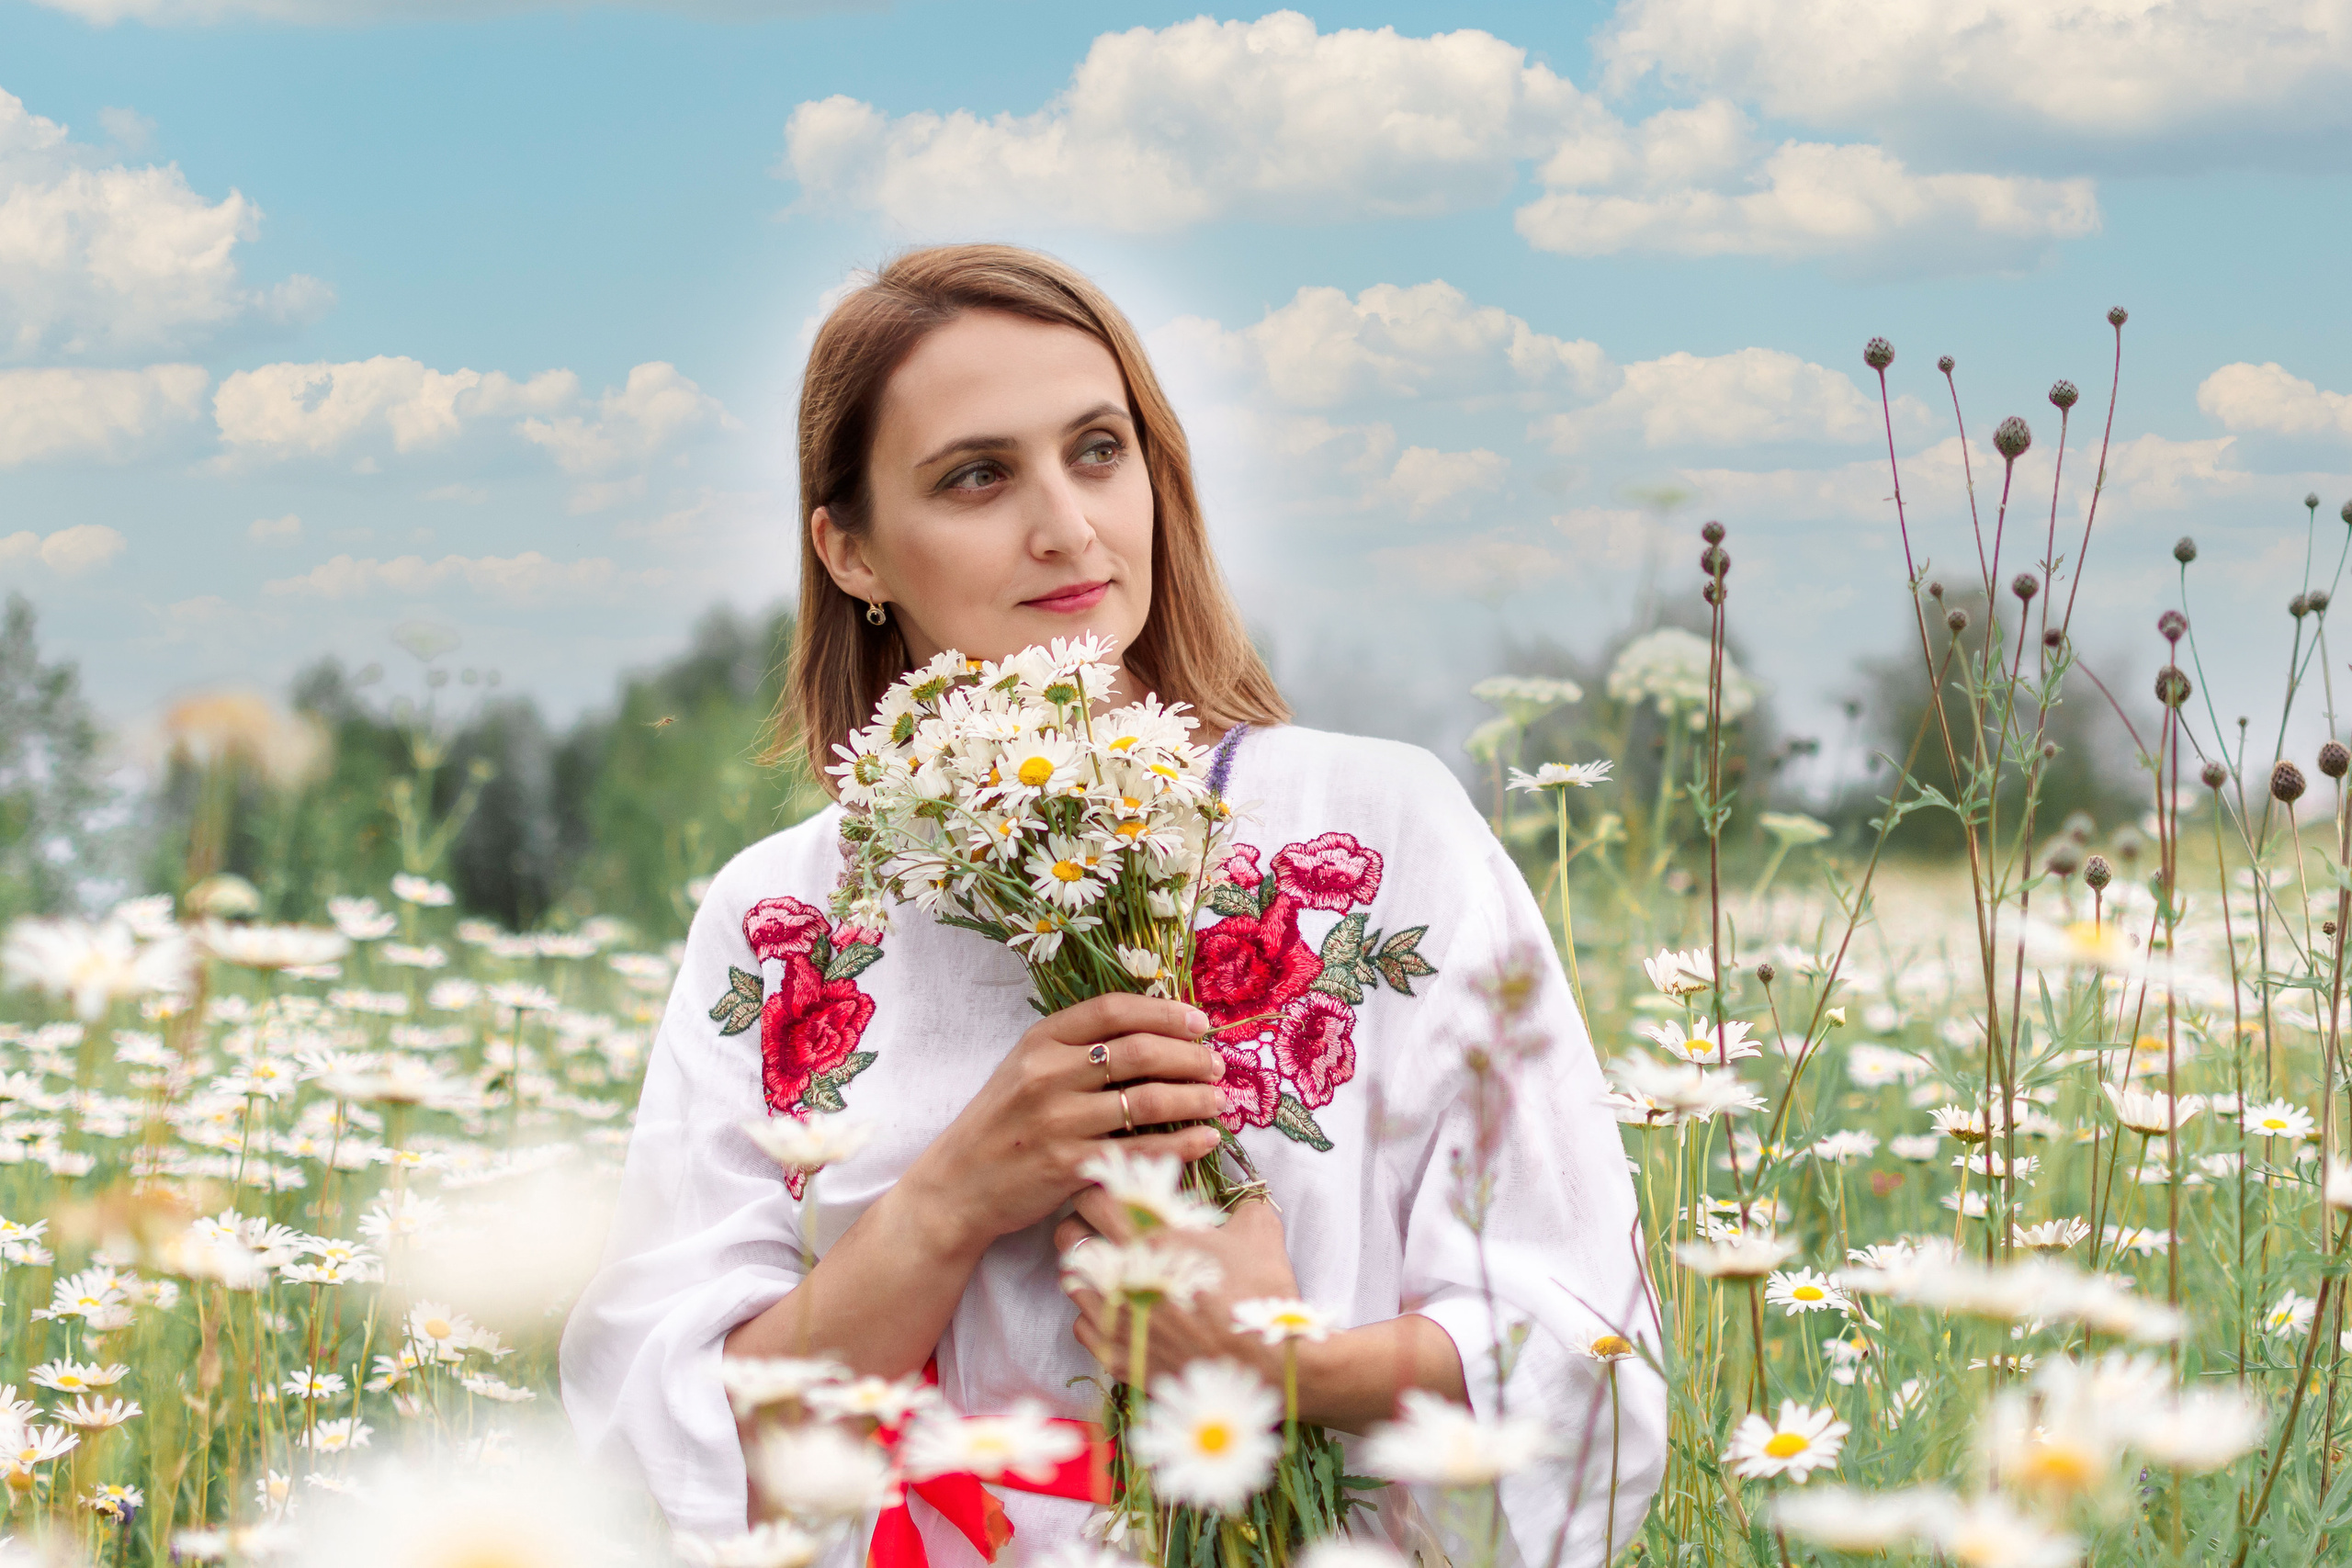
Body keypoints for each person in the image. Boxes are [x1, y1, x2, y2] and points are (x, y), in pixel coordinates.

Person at [559, 243, 1664, 1568]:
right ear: (848, 548)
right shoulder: (785, 923)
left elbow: (1582, 1332)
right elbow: (655, 1436)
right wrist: (949, 1201)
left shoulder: (1382, 832)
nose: (1069, 528)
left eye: (1097, 451)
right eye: (978, 476)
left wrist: (1291, 1368)